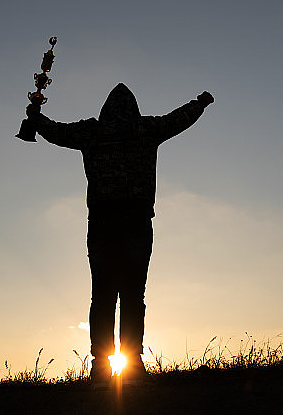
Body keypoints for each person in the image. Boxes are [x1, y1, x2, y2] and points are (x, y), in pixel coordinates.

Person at [26, 83, 214, 385]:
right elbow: (179, 119)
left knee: (101, 296)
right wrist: (201, 102)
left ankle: (101, 366)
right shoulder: (146, 129)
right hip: (137, 223)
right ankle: (133, 365)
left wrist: (35, 117)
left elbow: (55, 132)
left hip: (101, 224)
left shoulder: (91, 132)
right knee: (133, 296)